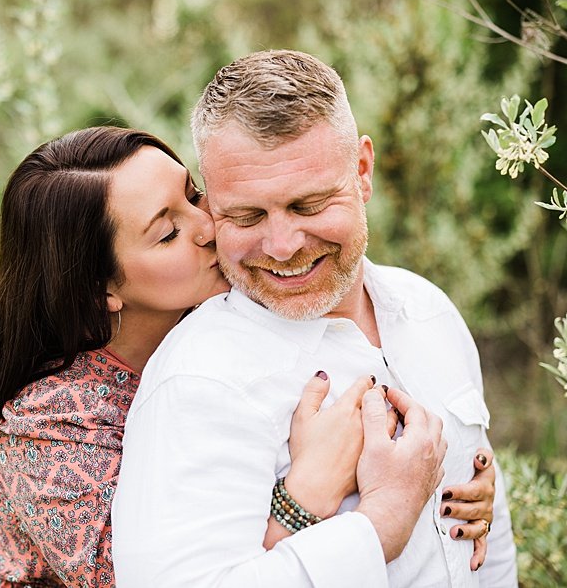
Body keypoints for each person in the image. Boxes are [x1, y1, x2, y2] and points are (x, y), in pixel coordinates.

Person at [0, 126, 498, 587]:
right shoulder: (50, 429)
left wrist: (446, 486)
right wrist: (308, 490)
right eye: (168, 233)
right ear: (100, 290)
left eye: (193, 194)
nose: (209, 227)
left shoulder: (233, 321)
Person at [112, 50, 518, 587]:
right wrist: (380, 523)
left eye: (308, 205)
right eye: (247, 215)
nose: (282, 247)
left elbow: (490, 546)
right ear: (212, 208)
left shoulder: (427, 309)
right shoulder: (199, 383)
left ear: (363, 172)